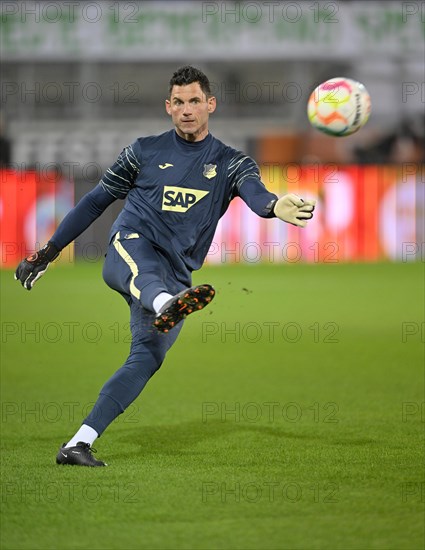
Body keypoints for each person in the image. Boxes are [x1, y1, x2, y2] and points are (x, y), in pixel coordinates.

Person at [15, 66, 316, 467]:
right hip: (131, 249)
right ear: (168, 108)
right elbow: (95, 202)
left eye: (194, 101)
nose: (187, 110)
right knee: (149, 279)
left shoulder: (230, 163)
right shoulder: (143, 151)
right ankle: (164, 304)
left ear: (210, 104)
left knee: (146, 360)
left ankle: (78, 444)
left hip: (177, 276)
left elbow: (256, 194)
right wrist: (48, 253)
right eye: (179, 102)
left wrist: (275, 206)